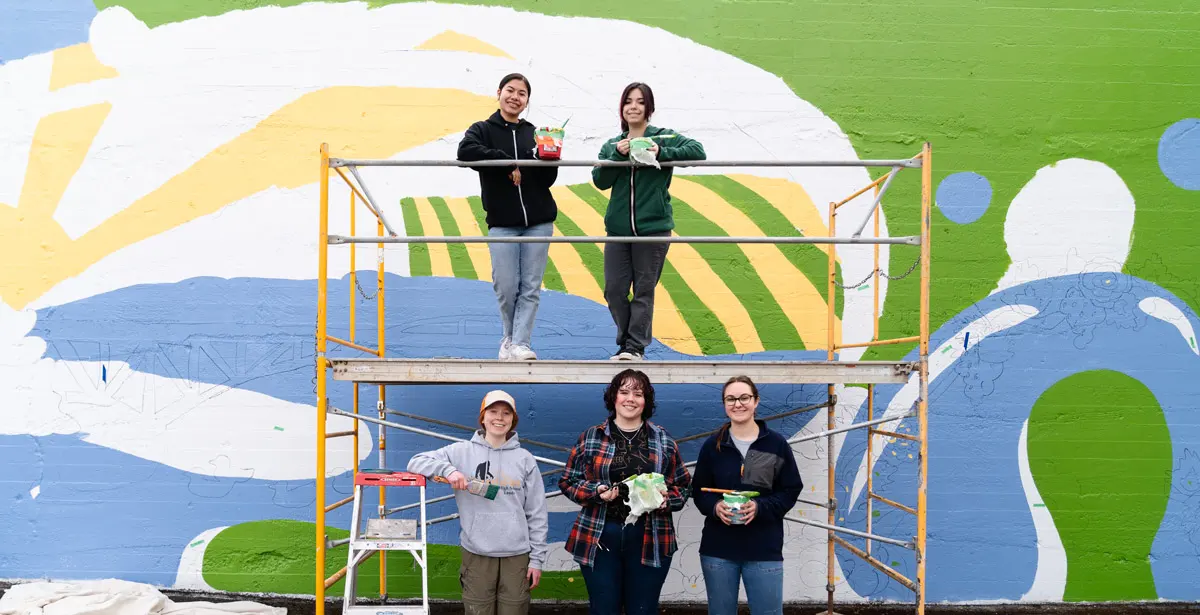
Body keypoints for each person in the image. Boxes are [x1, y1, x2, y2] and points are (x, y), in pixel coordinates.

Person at [559, 369, 692, 615]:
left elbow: (683, 486)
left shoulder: (663, 440)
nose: (630, 398)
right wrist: (596, 491)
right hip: (600, 534)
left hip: (650, 536)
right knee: (603, 609)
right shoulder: (590, 437)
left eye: (638, 394)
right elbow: (568, 481)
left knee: (643, 609)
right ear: (614, 397)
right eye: (624, 392)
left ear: (646, 401)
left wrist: (666, 500)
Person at [406, 390, 549, 615]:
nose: (499, 418)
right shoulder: (461, 451)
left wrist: (537, 560)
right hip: (477, 553)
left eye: (506, 413)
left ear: (513, 420)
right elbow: (416, 462)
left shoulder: (525, 459)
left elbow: (537, 513)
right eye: (493, 411)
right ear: (483, 417)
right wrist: (449, 470)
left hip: (517, 555)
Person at [591, 82, 706, 361]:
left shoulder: (663, 138)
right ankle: (625, 342)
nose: (633, 106)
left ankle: (634, 348)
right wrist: (616, 156)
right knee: (614, 289)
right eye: (628, 101)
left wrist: (661, 153)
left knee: (644, 290)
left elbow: (697, 151)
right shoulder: (612, 144)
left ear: (648, 108)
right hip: (618, 230)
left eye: (640, 102)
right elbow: (599, 180)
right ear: (621, 108)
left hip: (654, 227)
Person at [458, 73, 559, 361]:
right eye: (510, 91)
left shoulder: (534, 132)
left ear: (527, 101)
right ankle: (510, 337)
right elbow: (464, 152)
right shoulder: (482, 129)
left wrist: (548, 158)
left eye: (522, 94)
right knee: (506, 286)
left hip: (539, 221)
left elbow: (547, 180)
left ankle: (520, 344)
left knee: (531, 286)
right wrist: (508, 161)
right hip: (502, 223)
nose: (515, 97)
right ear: (499, 93)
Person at [689, 376, 804, 615]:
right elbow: (699, 492)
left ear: (756, 401)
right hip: (718, 550)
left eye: (744, 398)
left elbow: (791, 490)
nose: (738, 404)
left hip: (764, 548)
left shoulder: (775, 444)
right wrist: (715, 507)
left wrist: (760, 507)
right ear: (724, 404)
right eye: (731, 399)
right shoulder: (713, 446)